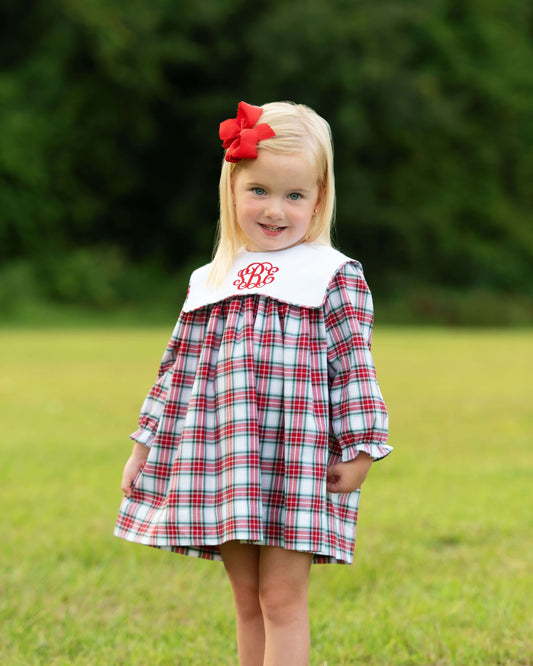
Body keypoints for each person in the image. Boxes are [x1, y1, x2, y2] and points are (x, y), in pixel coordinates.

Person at [115, 100, 392, 666]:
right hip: (225, 457)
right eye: (259, 191)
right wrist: (144, 445)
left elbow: (354, 366)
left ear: (319, 198)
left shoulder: (331, 274)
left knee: (281, 597)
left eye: (295, 196)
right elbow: (175, 371)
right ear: (233, 188)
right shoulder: (211, 279)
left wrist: (362, 447)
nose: (275, 210)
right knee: (247, 598)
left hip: (296, 460)